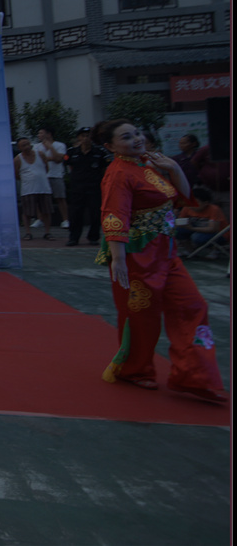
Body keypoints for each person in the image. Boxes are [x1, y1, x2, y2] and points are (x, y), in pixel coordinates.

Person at [93, 120, 226, 404]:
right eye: (126, 137)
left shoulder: (147, 164)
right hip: (139, 258)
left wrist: (174, 168)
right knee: (143, 318)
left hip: (166, 252)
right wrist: (117, 259)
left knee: (193, 305)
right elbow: (114, 215)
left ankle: (196, 376)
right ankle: (134, 369)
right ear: (110, 146)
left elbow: (182, 198)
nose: (137, 139)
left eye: (138, 133)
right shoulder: (117, 173)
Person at [64, 127, 110, 246]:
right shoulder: (72, 152)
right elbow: (70, 167)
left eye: (88, 136)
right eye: (83, 136)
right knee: (75, 214)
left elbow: (105, 170)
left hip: (94, 188)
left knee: (95, 214)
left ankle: (93, 237)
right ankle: (74, 238)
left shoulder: (100, 153)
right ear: (79, 138)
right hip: (77, 188)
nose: (85, 138)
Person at [14, 138, 53, 241]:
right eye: (23, 145)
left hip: (43, 188)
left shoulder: (40, 154)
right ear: (19, 148)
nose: (26, 147)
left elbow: (46, 168)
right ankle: (28, 232)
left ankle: (47, 232)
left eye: (27, 144)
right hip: (28, 189)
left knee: (46, 211)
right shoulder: (18, 159)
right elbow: (16, 174)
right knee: (27, 212)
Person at [175, 186, 229, 258]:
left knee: (197, 237)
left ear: (205, 203)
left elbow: (213, 229)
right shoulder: (187, 207)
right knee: (177, 231)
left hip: (218, 234)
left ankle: (214, 250)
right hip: (197, 229)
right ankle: (190, 250)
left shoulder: (214, 209)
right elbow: (180, 221)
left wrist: (191, 228)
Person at [36, 127, 68, 228]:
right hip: (42, 176)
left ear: (49, 134)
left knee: (60, 198)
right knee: (40, 199)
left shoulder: (60, 145)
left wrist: (50, 148)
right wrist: (51, 158)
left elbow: (59, 159)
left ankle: (65, 220)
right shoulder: (36, 146)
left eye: (41, 133)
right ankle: (40, 219)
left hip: (56, 175)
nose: (39, 135)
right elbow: (37, 159)